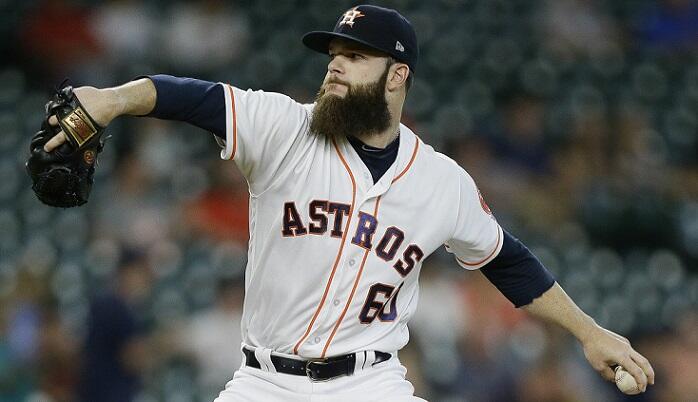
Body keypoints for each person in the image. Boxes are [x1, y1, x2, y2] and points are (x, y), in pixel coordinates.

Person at [42, 5, 654, 401]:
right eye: (332, 56)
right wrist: (112, 100)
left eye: (354, 57)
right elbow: (193, 98)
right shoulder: (285, 128)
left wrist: (589, 332)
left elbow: (508, 261)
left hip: (369, 383)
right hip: (263, 382)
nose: (334, 68)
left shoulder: (442, 182)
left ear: (397, 75)